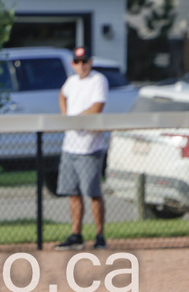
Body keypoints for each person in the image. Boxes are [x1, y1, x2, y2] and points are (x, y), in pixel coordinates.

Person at [55, 46, 109, 251]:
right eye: (77, 62)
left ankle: (100, 235)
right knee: (73, 193)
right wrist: (65, 116)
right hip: (70, 146)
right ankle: (76, 234)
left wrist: (75, 119)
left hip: (89, 146)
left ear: (91, 62)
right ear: (73, 64)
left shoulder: (98, 80)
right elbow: (62, 94)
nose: (81, 65)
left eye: (84, 61)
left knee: (93, 192)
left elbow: (98, 107)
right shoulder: (71, 81)